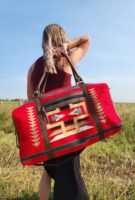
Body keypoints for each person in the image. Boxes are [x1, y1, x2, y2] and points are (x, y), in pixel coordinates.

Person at [27, 24, 90, 200]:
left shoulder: (33, 67)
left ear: (43, 40)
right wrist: (67, 46)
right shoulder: (65, 59)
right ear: (62, 37)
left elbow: (31, 101)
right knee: (70, 173)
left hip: (46, 128)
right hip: (67, 127)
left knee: (48, 170)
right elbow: (86, 39)